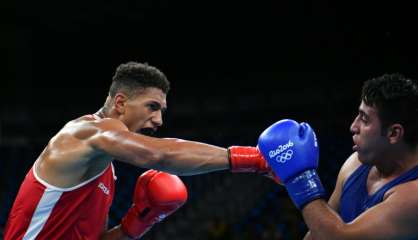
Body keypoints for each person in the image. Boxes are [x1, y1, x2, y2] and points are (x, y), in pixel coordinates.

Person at [4, 61, 273, 240]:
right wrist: (255, 159)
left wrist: (138, 223)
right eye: (152, 106)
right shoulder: (83, 133)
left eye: (162, 111)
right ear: (120, 102)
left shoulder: (103, 169)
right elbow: (159, 155)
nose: (159, 120)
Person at [257, 74, 418, 239]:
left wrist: (300, 179)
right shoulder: (355, 164)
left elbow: (336, 237)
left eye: (364, 119)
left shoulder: (414, 196)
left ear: (393, 133)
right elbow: (318, 233)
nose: (353, 126)